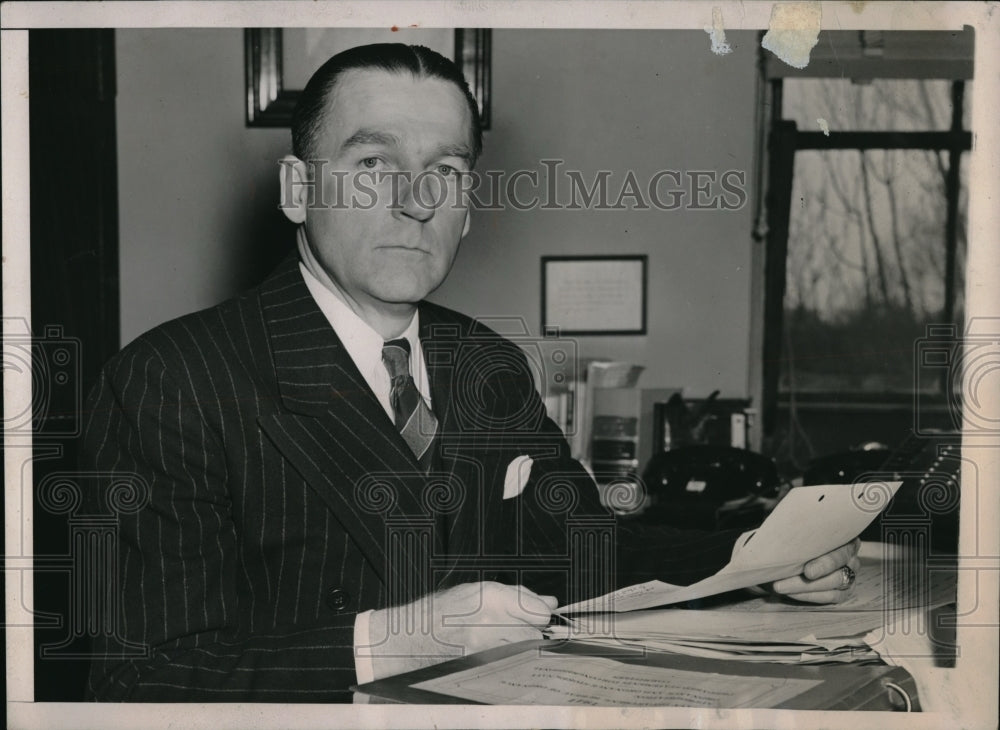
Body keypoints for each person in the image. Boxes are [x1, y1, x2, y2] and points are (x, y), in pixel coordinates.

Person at [82, 43, 860, 703]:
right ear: (297, 190)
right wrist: (400, 638)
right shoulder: (170, 381)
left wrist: (760, 558)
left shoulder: (485, 362)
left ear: (468, 204)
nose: (416, 201)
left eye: (445, 171)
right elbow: (134, 680)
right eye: (374, 162)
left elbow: (584, 550)